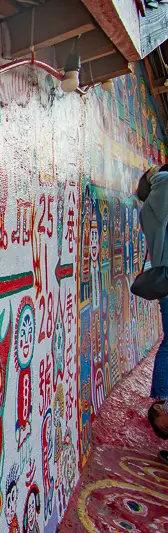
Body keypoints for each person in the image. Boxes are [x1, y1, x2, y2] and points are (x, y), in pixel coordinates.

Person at [137, 163, 168, 466]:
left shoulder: (152, 208)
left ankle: (162, 402)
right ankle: (162, 402)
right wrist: (155, 175)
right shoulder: (161, 196)